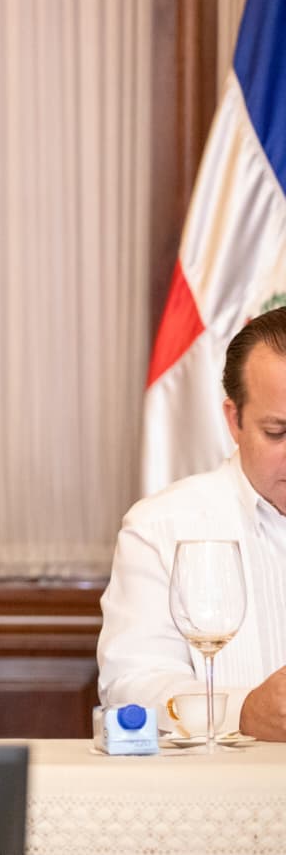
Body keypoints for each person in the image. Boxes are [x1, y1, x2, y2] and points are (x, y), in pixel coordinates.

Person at [99, 306, 286, 741]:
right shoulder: (160, 527)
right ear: (234, 421)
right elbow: (132, 687)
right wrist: (243, 713)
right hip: (225, 781)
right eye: (278, 432)